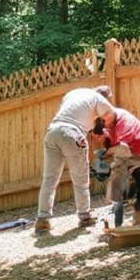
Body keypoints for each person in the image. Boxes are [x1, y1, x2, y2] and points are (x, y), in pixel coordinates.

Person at [35, 87, 115, 234]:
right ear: (106, 98)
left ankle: (42, 220)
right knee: (80, 179)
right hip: (72, 133)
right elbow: (111, 117)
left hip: (53, 132)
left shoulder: (75, 93)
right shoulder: (100, 100)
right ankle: (85, 216)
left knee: (49, 179)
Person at [94, 99, 140, 227]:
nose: (103, 124)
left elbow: (122, 148)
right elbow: (110, 142)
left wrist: (104, 156)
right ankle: (115, 215)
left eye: (103, 120)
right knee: (116, 181)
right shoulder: (109, 122)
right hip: (128, 157)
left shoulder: (125, 122)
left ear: (108, 113)